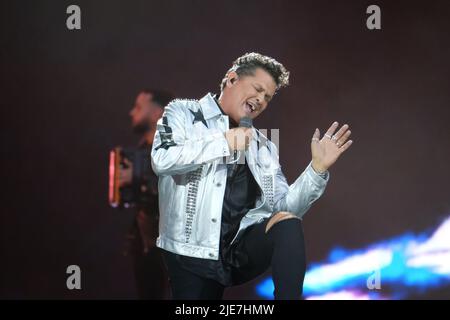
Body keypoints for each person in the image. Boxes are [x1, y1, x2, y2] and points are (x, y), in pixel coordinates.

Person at [151, 52, 353, 299]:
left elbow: (282, 208)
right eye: (257, 89)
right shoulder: (182, 111)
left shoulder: (263, 147)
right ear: (232, 79)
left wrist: (317, 170)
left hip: (237, 252)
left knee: (287, 223)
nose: (260, 100)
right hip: (189, 254)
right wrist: (224, 142)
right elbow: (162, 160)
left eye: (267, 97)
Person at [119, 89, 174, 299]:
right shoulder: (140, 152)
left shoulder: (176, 147)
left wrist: (143, 184)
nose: (132, 112)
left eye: (139, 107)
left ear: (156, 113)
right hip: (146, 242)